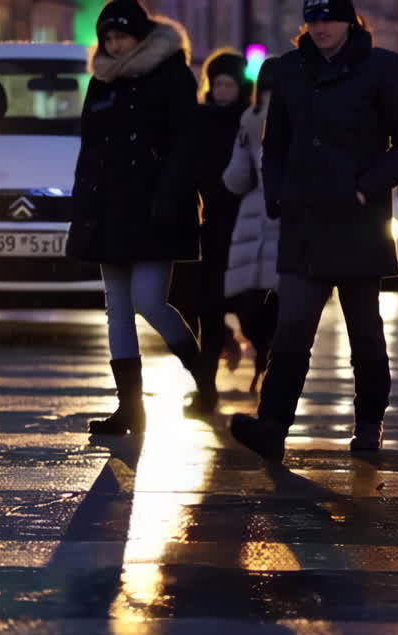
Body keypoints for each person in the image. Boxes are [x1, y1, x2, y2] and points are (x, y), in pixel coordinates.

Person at [228, 0, 398, 461]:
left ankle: (368, 422)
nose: (320, 28)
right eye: (313, 20)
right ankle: (273, 426)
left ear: (349, 22)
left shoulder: (380, 66)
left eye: (329, 19)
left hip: (358, 220)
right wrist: (276, 193)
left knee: (365, 331)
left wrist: (367, 189)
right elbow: (274, 142)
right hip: (304, 219)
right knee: (292, 326)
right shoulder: (288, 69)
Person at [68, 0, 214, 435]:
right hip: (109, 207)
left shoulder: (171, 75)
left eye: (122, 37)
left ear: (141, 35)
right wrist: (84, 204)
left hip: (155, 207)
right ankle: (129, 407)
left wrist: (171, 198)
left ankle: (203, 375)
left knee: (149, 300)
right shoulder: (102, 82)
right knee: (117, 308)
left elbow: (187, 145)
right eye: (108, 39)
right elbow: (89, 151)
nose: (114, 46)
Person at [170, 49, 251, 409]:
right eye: (216, 83)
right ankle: (207, 386)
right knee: (205, 304)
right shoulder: (199, 119)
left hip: (246, 224)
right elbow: (187, 165)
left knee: (249, 303)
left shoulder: (249, 120)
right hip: (211, 223)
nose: (220, 90)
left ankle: (245, 361)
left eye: (227, 84)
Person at [224, 56, 283, 395]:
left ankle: (266, 372)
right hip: (262, 222)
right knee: (267, 312)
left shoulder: (258, 117)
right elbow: (238, 176)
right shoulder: (251, 119)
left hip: (265, 221)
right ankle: (266, 370)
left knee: (258, 312)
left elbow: (235, 179)